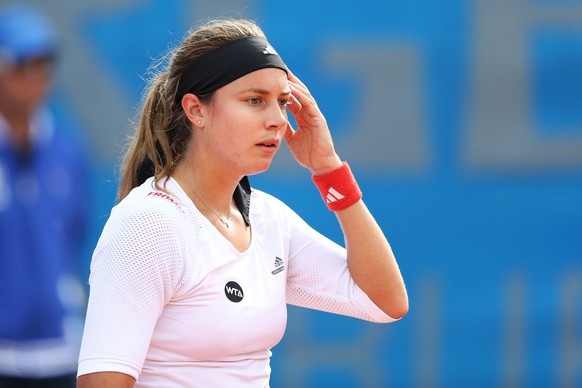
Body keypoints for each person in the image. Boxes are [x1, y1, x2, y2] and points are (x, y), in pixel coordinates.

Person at [77, 18, 408, 387]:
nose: (278, 121)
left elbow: (385, 302)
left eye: (283, 102)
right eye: (255, 101)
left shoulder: (269, 220)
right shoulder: (149, 224)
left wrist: (328, 168)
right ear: (196, 110)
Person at [0, 4, 90, 388]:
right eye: (22, 63)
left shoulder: (67, 152)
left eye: (44, 63)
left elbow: (73, 233)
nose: (35, 76)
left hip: (59, 351)